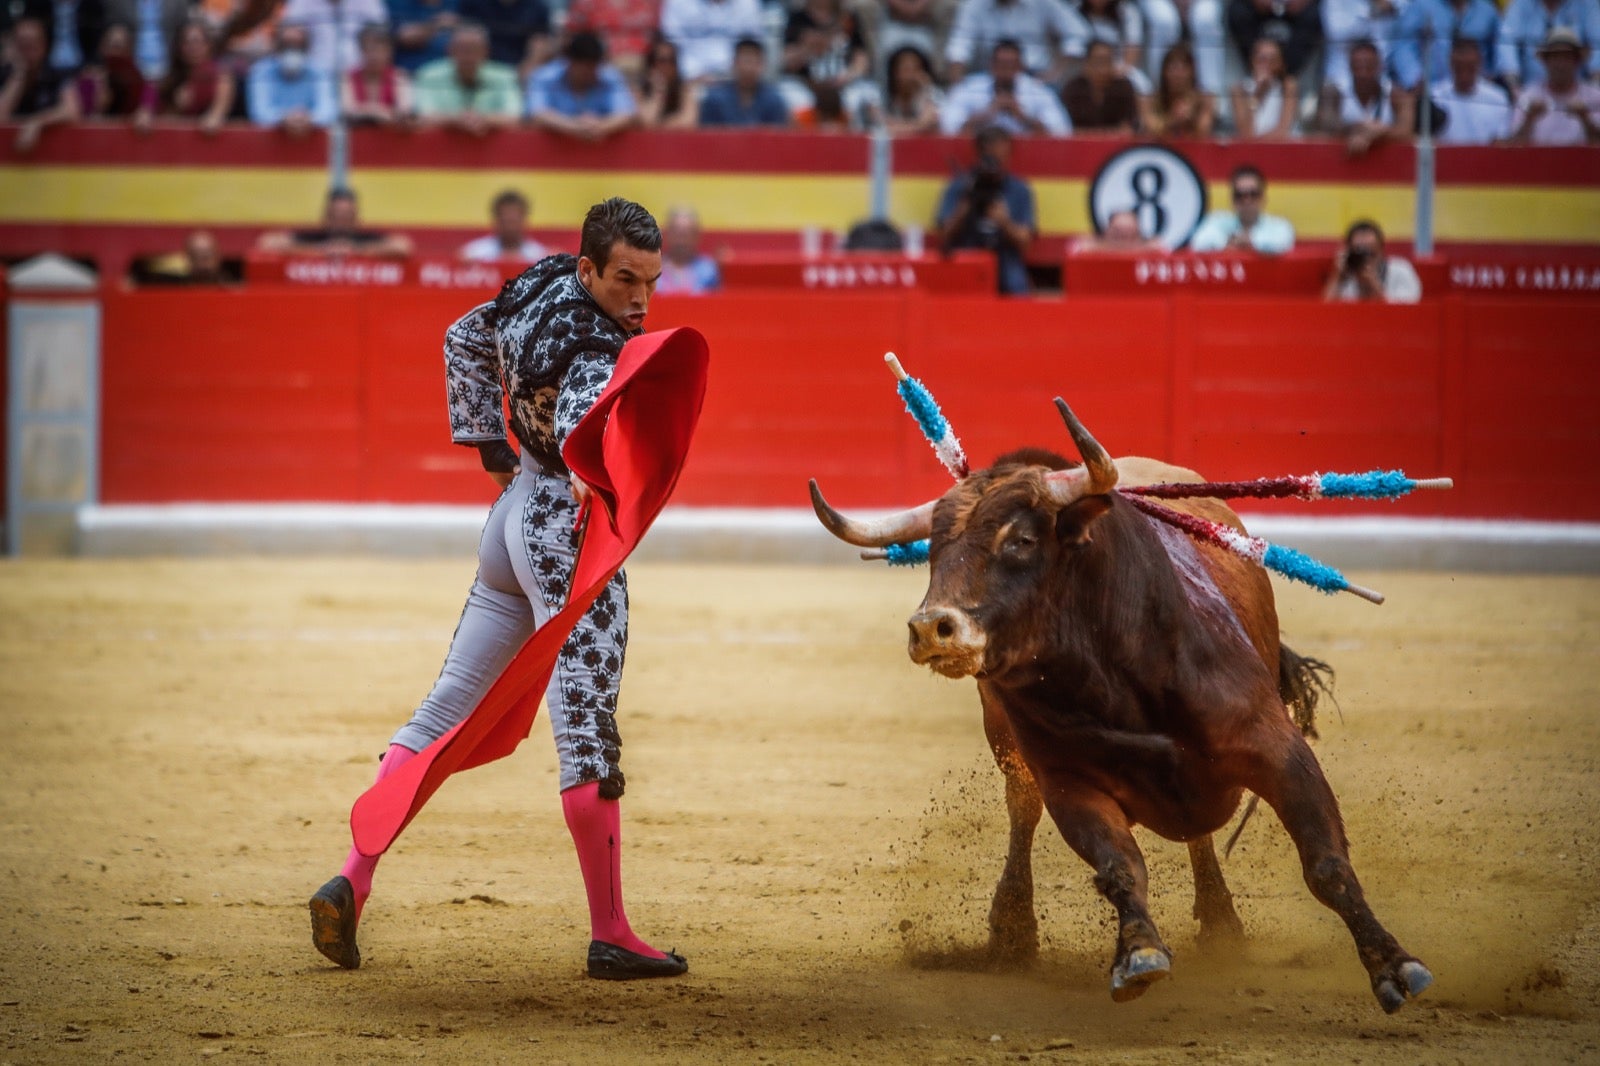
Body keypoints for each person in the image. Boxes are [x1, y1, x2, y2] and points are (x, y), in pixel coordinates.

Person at [307, 197, 690, 983]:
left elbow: (461, 337)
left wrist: (492, 448)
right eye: (625, 280)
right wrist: (592, 472)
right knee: (585, 725)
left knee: (445, 707)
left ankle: (353, 876)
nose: (641, 301)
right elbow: (588, 406)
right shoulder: (594, 340)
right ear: (590, 268)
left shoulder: (541, 280)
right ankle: (611, 931)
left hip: (511, 516)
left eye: (650, 282)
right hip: (566, 532)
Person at [933, 124, 1038, 295]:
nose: (993, 166)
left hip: (1005, 257)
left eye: (999, 159)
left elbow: (1025, 242)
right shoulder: (959, 187)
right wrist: (963, 210)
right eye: (989, 158)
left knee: (1017, 288)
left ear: (1009, 155)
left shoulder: (1019, 190)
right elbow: (943, 236)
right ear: (979, 154)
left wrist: (1005, 223)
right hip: (967, 255)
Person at [939, 37, 1071, 135]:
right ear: (991, 65)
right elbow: (947, 129)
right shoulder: (968, 89)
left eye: (1012, 65)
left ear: (1021, 67)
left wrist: (1023, 118)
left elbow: (1062, 132)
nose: (1006, 71)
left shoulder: (1039, 92)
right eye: (1002, 65)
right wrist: (987, 113)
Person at [526, 30, 640, 140]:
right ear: (570, 62)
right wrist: (576, 127)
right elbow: (537, 114)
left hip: (600, 151)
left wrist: (600, 127)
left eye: (593, 67)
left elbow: (627, 114)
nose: (590, 73)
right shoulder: (544, 77)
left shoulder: (610, 77)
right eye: (584, 68)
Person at [412, 21, 522, 132]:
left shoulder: (504, 76)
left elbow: (515, 117)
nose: (468, 55)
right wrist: (458, 119)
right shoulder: (429, 75)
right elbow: (423, 115)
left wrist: (483, 119)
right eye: (462, 49)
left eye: (474, 49)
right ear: (450, 50)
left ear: (486, 52)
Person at [942, 0, 1088, 83]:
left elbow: (1078, 33)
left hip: (1036, 78)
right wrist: (958, 83)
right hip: (988, 78)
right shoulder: (974, 6)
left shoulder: (1044, 2)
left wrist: (1056, 72)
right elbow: (960, 44)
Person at [1316, 38, 1414, 155]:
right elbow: (1326, 124)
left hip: (1387, 162)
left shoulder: (1396, 94)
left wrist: (1379, 133)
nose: (1363, 72)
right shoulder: (1335, 91)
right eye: (1358, 67)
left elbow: (1406, 130)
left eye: (1369, 66)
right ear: (1350, 66)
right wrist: (1359, 129)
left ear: (1379, 66)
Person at [256, 186, 415, 257]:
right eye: (337, 215)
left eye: (346, 215)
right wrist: (320, 250)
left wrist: (355, 250)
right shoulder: (314, 237)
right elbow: (266, 242)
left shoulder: (365, 239)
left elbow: (403, 246)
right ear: (326, 216)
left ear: (356, 217)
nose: (341, 220)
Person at [0, 17, 83, 152]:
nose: (27, 52)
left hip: (53, 158)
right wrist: (18, 75)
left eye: (31, 45)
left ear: (43, 46)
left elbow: (72, 110)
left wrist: (36, 123)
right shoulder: (4, 74)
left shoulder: (56, 74)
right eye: (22, 45)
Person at [1508, 27, 1600, 144]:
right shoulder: (1528, 96)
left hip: (1583, 161)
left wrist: (1585, 118)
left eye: (1566, 58)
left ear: (1577, 61)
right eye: (1555, 57)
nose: (1560, 65)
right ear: (1545, 62)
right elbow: (1513, 147)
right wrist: (1529, 119)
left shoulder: (1595, 97)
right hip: (1538, 161)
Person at [247, 20, 338, 133]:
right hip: (271, 143)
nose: (292, 50)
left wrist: (308, 119)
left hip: (312, 140)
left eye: (298, 45)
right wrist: (283, 118)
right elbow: (259, 113)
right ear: (276, 45)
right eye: (287, 45)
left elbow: (328, 111)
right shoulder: (261, 71)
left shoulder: (320, 71)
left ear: (307, 47)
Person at [1391, 0, 1501, 92]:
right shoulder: (1420, 7)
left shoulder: (1487, 11)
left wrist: (1491, 78)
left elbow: (1498, 50)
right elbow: (1403, 46)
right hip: (1430, 90)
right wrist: (1414, 78)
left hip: (1476, 91)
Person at [1497, 0, 1600, 95]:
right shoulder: (1521, 4)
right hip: (1529, 92)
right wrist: (1515, 88)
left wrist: (1594, 91)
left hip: (1578, 93)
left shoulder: (1587, 4)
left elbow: (1597, 45)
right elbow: (1506, 43)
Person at [1189, 163, 1296, 253]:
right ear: (1232, 200)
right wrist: (1226, 242)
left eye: (1253, 194)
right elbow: (1198, 242)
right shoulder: (1217, 221)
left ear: (1263, 198)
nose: (1247, 201)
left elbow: (1283, 241)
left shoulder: (1279, 225)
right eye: (1240, 195)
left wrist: (1251, 241)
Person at [1429, 36, 1514, 144]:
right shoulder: (1434, 96)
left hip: (1485, 158)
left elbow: (1502, 140)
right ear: (1451, 63)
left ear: (1479, 62)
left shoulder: (1497, 98)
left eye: (1470, 67)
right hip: (1446, 158)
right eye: (1459, 67)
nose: (1464, 74)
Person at [156, 18, 235, 134]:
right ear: (179, 47)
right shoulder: (171, 77)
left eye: (197, 42)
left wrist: (211, 117)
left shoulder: (222, 76)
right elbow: (163, 121)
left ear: (208, 45)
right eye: (186, 42)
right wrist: (177, 108)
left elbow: (215, 117)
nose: (193, 47)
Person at [659, 0, 766, 82]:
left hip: (735, 83)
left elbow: (752, 48)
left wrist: (728, 76)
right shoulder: (678, 2)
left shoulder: (747, 4)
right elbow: (670, 46)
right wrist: (691, 74)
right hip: (686, 80)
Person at [76, 21, 159, 125]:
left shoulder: (137, 80)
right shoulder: (90, 79)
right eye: (111, 45)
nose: (115, 52)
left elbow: (149, 94)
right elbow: (80, 117)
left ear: (129, 50)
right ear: (102, 47)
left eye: (120, 46)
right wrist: (97, 104)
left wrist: (145, 111)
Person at [783, 0, 871, 96]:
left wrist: (849, 75)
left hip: (845, 85)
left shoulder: (848, 18)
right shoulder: (797, 18)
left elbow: (861, 58)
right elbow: (787, 61)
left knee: (865, 92)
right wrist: (807, 49)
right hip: (806, 86)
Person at [1321, 219, 1421, 303]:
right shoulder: (1347, 273)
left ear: (1381, 248)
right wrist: (1338, 276)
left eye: (1370, 254)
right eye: (1360, 254)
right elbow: (1326, 310)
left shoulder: (1400, 270)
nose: (1366, 260)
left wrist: (1373, 283)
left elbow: (1406, 311)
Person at [696, 36, 790, 125]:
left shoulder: (773, 99)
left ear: (762, 65)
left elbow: (778, 136)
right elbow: (707, 135)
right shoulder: (714, 99)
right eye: (745, 61)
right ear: (734, 63)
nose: (748, 68)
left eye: (754, 62)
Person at [279, 0, 388, 77]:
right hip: (314, 76)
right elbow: (287, 32)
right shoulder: (300, 2)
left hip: (360, 76)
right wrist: (294, 34)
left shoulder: (369, 2)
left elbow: (382, 34)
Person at [342, 22, 416, 126]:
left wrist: (366, 111)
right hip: (357, 138)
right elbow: (347, 112)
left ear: (390, 52)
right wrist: (381, 112)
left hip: (391, 137)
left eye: (381, 50)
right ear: (361, 51)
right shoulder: (348, 77)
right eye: (369, 50)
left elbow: (405, 112)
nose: (374, 56)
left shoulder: (400, 76)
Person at [1226, 0, 1321, 79]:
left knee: (1314, 16)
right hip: (1258, 8)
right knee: (1239, 12)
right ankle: (1259, 70)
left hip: (1297, 9)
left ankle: (1284, 75)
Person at [1319, 0, 1399, 93]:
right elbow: (1336, 32)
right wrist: (1372, 10)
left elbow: (1403, 12)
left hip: (1386, 71)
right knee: (1330, 93)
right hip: (1341, 73)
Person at [1140, 40, 1215, 137]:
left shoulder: (1205, 100)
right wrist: (1173, 119)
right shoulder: (1150, 100)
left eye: (1183, 68)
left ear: (1192, 72)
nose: (1177, 74)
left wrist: (1191, 116)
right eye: (1172, 68)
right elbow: (1151, 129)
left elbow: (1204, 131)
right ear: (1164, 72)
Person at [565, 0, 661, 76]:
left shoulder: (651, 3)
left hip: (644, 65)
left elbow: (660, 34)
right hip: (601, 68)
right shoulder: (586, 3)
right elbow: (574, 37)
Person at [1061, 37, 1138, 131]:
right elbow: (1065, 128)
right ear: (1086, 64)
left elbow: (1128, 127)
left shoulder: (1123, 88)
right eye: (1098, 62)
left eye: (1108, 62)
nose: (1103, 69)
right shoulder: (1072, 89)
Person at [458, 0, 552, 76]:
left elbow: (540, 42)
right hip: (483, 66)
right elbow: (466, 38)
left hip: (520, 66)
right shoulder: (473, 3)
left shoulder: (538, 7)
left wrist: (527, 68)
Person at [1229, 36, 1297, 140]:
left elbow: (1283, 130)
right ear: (1252, 60)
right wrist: (1257, 95)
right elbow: (1245, 133)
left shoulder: (1287, 86)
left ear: (1280, 63)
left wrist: (1257, 143)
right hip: (1250, 151)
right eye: (1262, 59)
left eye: (1272, 60)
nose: (1267, 64)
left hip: (1279, 149)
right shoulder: (1239, 89)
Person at [635, 32, 701, 128]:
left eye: (672, 61)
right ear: (651, 64)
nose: (667, 66)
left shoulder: (684, 90)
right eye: (662, 60)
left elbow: (688, 121)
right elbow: (647, 121)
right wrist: (658, 91)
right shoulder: (639, 91)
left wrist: (658, 125)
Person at [461, 189, 549, 260]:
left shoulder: (539, 257)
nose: (510, 226)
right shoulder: (474, 255)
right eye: (506, 220)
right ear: (496, 219)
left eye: (514, 220)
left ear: (524, 219)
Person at [656, 205, 721, 293]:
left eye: (686, 234)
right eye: (677, 233)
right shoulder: (653, 269)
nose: (681, 240)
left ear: (696, 236)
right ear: (667, 234)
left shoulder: (708, 270)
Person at [879, 43, 942, 132]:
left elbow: (930, 123)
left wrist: (927, 89)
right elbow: (883, 129)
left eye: (916, 69)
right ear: (894, 73)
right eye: (906, 70)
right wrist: (919, 125)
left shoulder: (930, 94)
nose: (911, 76)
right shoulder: (883, 98)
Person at [389, 0, 459, 73]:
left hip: (448, 71)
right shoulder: (399, 4)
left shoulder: (453, 3)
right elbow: (406, 36)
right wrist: (435, 24)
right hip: (410, 71)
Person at [1072, 207, 1167, 251]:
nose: (1123, 238)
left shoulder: (1155, 248)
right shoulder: (1085, 247)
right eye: (1118, 232)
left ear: (1138, 233)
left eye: (1129, 233)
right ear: (1107, 231)